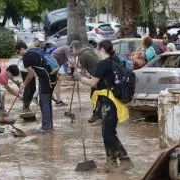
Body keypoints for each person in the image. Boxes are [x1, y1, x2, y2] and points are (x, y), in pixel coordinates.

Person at [80, 40, 134, 172]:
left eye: (98, 50)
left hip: (109, 102)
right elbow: (100, 81)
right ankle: (110, 162)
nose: (97, 52)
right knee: (107, 132)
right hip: (111, 101)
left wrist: (79, 78)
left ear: (103, 50)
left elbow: (93, 83)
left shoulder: (103, 64)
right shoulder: (111, 62)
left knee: (108, 133)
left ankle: (125, 160)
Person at [15, 41, 57, 132]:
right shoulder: (34, 50)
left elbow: (30, 75)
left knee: (43, 101)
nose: (19, 55)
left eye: (18, 52)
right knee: (47, 101)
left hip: (46, 79)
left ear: (22, 49)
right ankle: (50, 126)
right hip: (52, 77)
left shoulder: (26, 57)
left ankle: (46, 127)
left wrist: (24, 85)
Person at [50, 41, 83, 105]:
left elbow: (71, 64)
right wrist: (77, 70)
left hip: (55, 65)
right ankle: (55, 98)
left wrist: (77, 68)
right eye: (78, 49)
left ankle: (57, 99)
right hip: (53, 63)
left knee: (56, 81)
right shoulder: (67, 49)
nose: (79, 51)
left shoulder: (70, 52)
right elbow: (71, 61)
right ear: (74, 48)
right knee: (54, 81)